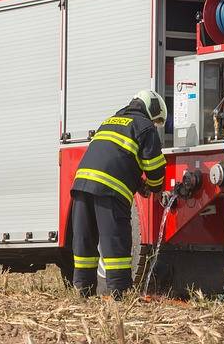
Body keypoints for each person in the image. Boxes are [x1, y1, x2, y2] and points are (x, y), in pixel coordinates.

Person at [70, 90, 167, 298]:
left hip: (81, 186)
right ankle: (118, 292)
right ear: (152, 109)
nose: (156, 123)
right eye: (157, 119)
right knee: (114, 240)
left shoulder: (110, 121)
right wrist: (156, 188)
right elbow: (154, 165)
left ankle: (83, 290)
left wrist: (139, 184)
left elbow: (116, 158)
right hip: (109, 191)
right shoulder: (145, 126)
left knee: (84, 240)